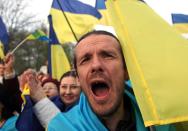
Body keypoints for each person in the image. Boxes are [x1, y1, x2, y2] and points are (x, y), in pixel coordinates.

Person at [26, 30, 175, 131]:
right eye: (85, 59)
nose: (96, 65)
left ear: (126, 72)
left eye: (107, 55)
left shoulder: (161, 119)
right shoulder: (61, 127)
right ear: (78, 77)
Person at [16, 70, 81, 131]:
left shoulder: (87, 110)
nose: (68, 92)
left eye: (74, 87)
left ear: (82, 89)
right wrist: (34, 100)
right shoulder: (52, 102)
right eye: (64, 87)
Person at [0, 53, 22, 131]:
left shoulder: (14, 124)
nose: (1, 69)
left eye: (2, 68)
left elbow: (11, 94)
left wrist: (8, 69)